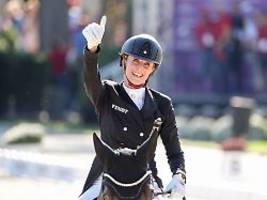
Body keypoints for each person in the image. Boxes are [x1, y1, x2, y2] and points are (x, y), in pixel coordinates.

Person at [79, 16, 186, 200]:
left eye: (146, 64)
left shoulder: (162, 104)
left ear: (153, 69)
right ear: (124, 61)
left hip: (145, 176)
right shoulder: (107, 93)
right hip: (108, 174)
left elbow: (174, 150)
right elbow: (90, 79)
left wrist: (179, 176)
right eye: (135, 61)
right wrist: (92, 50)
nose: (139, 69)